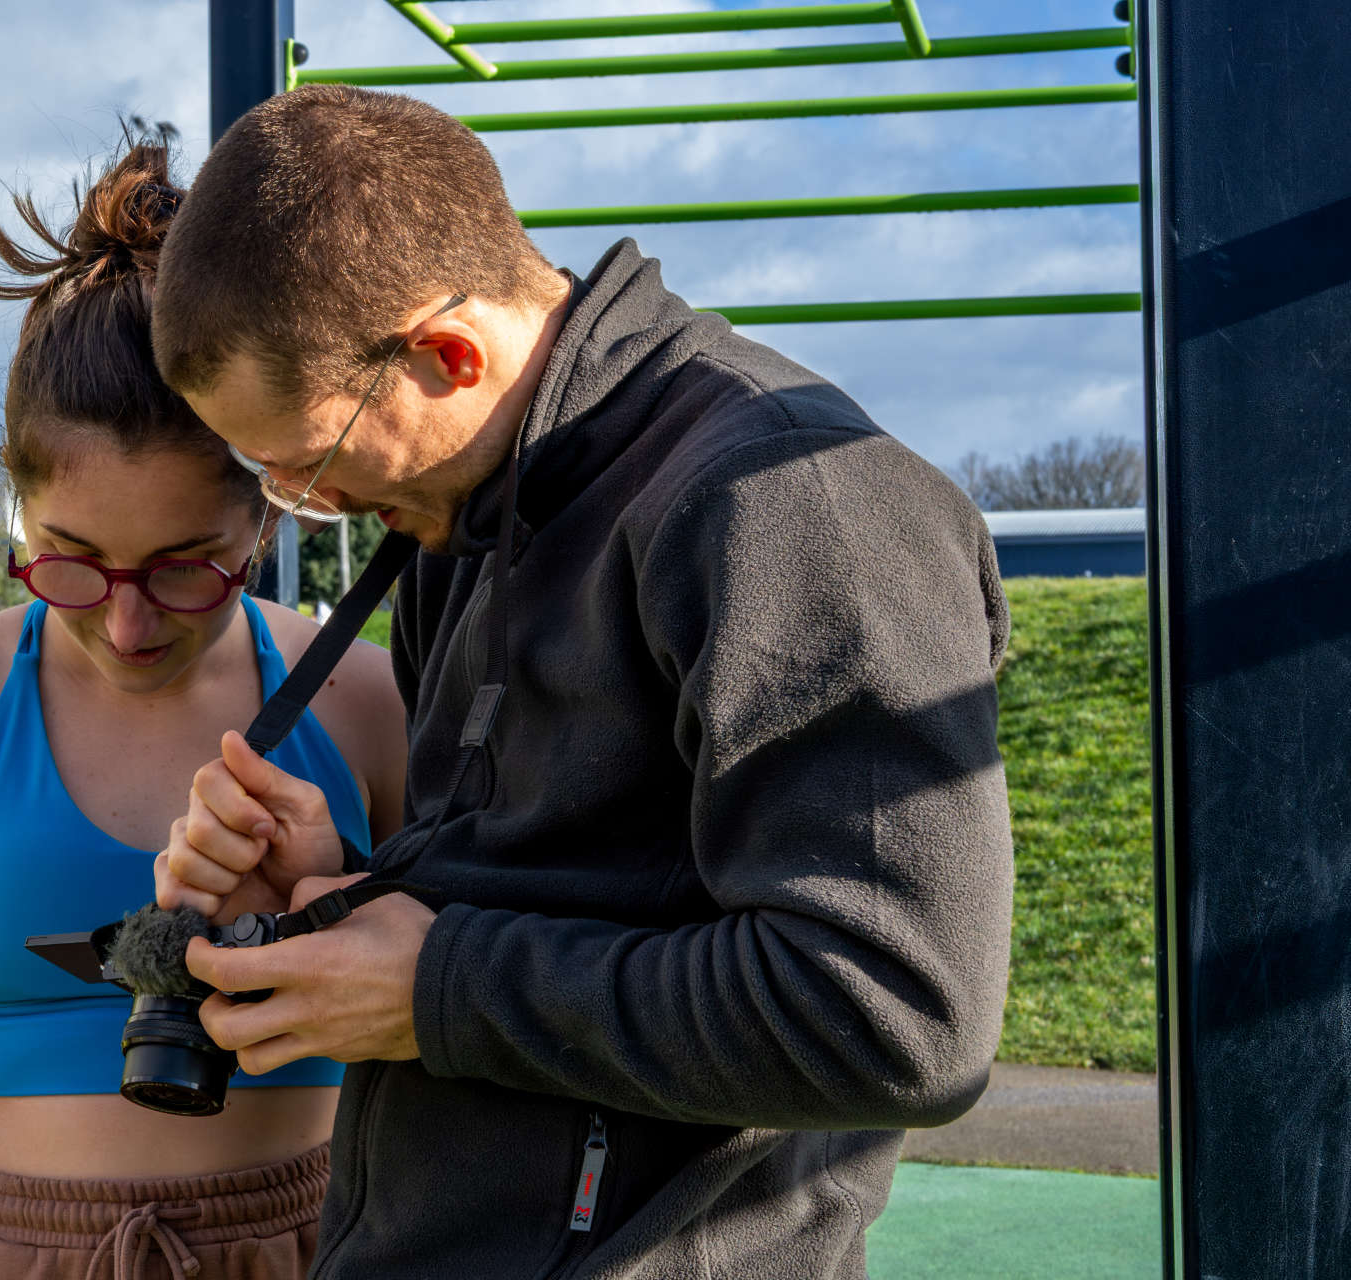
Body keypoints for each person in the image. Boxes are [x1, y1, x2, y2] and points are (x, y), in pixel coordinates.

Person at [149, 86, 1014, 1279]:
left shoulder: (794, 500)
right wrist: (344, 885)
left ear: (447, 353)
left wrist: (440, 988)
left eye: (313, 462)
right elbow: (584, 883)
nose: (321, 507)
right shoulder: (470, 505)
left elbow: (895, 1015)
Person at [0, 140, 407, 1280]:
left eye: (183, 566)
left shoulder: (364, 699)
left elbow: (470, 1023)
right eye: (69, 560)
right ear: (19, 510)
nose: (125, 624)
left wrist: (324, 898)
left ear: (266, 514)